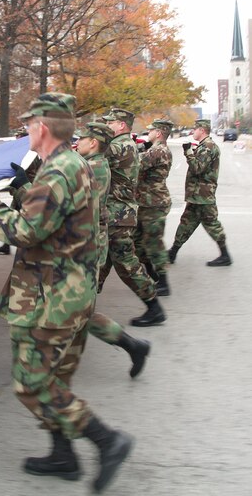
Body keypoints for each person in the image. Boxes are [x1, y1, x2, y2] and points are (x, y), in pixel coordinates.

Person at [0, 93, 133, 494]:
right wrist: (24, 190)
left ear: (41, 127)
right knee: (56, 381)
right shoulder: (71, 165)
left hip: (50, 299)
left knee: (33, 384)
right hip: (72, 293)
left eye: (28, 125)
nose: (25, 131)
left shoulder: (58, 172)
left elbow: (26, 231)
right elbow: (53, 218)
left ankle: (107, 442)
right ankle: (63, 455)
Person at [76, 122, 150, 378]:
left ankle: (134, 345)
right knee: (77, 309)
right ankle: (133, 346)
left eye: (82, 138)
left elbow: (67, 203)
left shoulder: (94, 167)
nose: (78, 142)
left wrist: (23, 189)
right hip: (88, 243)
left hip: (86, 245)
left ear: (93, 142)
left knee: (77, 310)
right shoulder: (92, 164)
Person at [99, 108, 166, 327]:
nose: (108, 125)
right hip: (118, 212)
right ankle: (81, 302)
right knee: (101, 260)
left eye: (111, 122)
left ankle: (154, 307)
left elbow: (89, 160)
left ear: (122, 125)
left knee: (126, 263)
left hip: (117, 214)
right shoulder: (125, 144)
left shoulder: (117, 146)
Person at [168, 118, 232, 266]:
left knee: (211, 224)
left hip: (203, 196)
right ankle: (172, 253)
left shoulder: (208, 146)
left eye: (195, 129)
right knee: (186, 223)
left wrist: (188, 152)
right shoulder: (204, 145)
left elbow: (198, 168)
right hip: (197, 195)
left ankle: (225, 256)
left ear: (202, 130)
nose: (193, 132)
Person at [134, 120, 174, 296]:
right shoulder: (157, 149)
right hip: (148, 202)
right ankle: (153, 276)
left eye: (151, 130)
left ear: (158, 133)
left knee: (154, 243)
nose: (148, 132)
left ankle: (163, 283)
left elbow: (136, 167)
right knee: (139, 242)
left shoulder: (157, 150)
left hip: (153, 203)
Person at [0, 127, 42, 255]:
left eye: (19, 137)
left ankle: (34, 245)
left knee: (29, 219)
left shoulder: (30, 155)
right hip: (20, 191)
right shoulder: (25, 153)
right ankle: (6, 245)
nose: (17, 139)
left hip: (27, 191)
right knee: (10, 219)